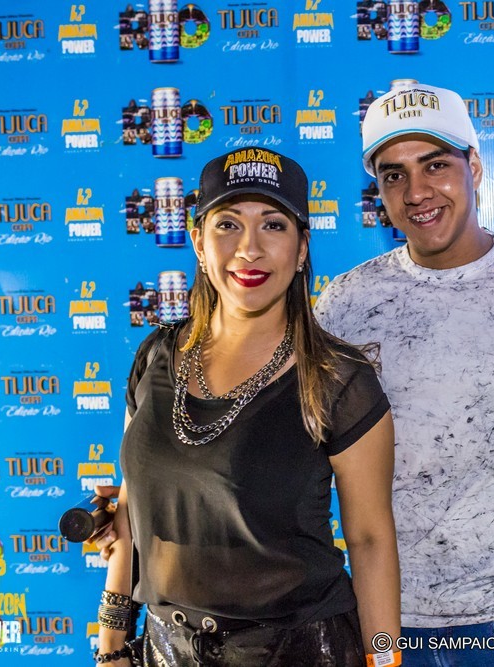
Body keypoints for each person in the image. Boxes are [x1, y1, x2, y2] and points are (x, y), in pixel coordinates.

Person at [313, 82, 494, 666]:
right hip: (385, 618)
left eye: (436, 165)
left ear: (475, 166)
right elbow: (288, 444)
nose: (417, 192)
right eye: (393, 175)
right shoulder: (345, 303)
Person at [94, 148, 400, 666]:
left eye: (273, 225)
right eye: (228, 224)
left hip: (301, 650)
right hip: (168, 648)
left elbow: (370, 541)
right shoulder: (154, 357)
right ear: (198, 242)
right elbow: (129, 516)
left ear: (302, 248)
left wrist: (386, 662)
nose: (249, 249)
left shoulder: (338, 378)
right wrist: (111, 648)